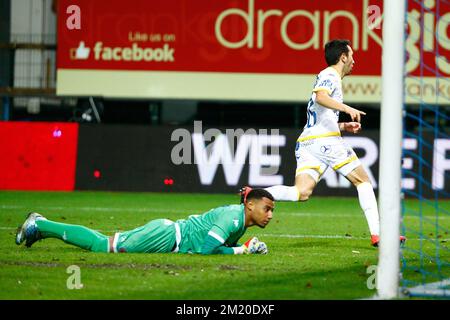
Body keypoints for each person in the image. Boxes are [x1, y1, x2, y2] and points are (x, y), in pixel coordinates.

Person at [241, 39, 404, 247]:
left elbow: (322, 115)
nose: (354, 60)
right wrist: (347, 109)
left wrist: (344, 126)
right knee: (363, 181)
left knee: (301, 192)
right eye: (351, 55)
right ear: (343, 57)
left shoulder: (329, 77)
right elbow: (320, 97)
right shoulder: (330, 75)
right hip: (325, 142)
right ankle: (379, 234)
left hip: (309, 141)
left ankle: (252, 194)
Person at [16, 189, 274, 255]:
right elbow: (207, 250)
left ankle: (41, 231)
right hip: (165, 237)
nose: (270, 215)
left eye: (272, 211)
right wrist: (242, 250)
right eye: (267, 208)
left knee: (103, 243)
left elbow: (218, 244)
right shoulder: (233, 215)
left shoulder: (238, 219)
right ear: (250, 204)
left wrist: (247, 245)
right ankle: (40, 225)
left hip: (168, 237)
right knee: (101, 247)